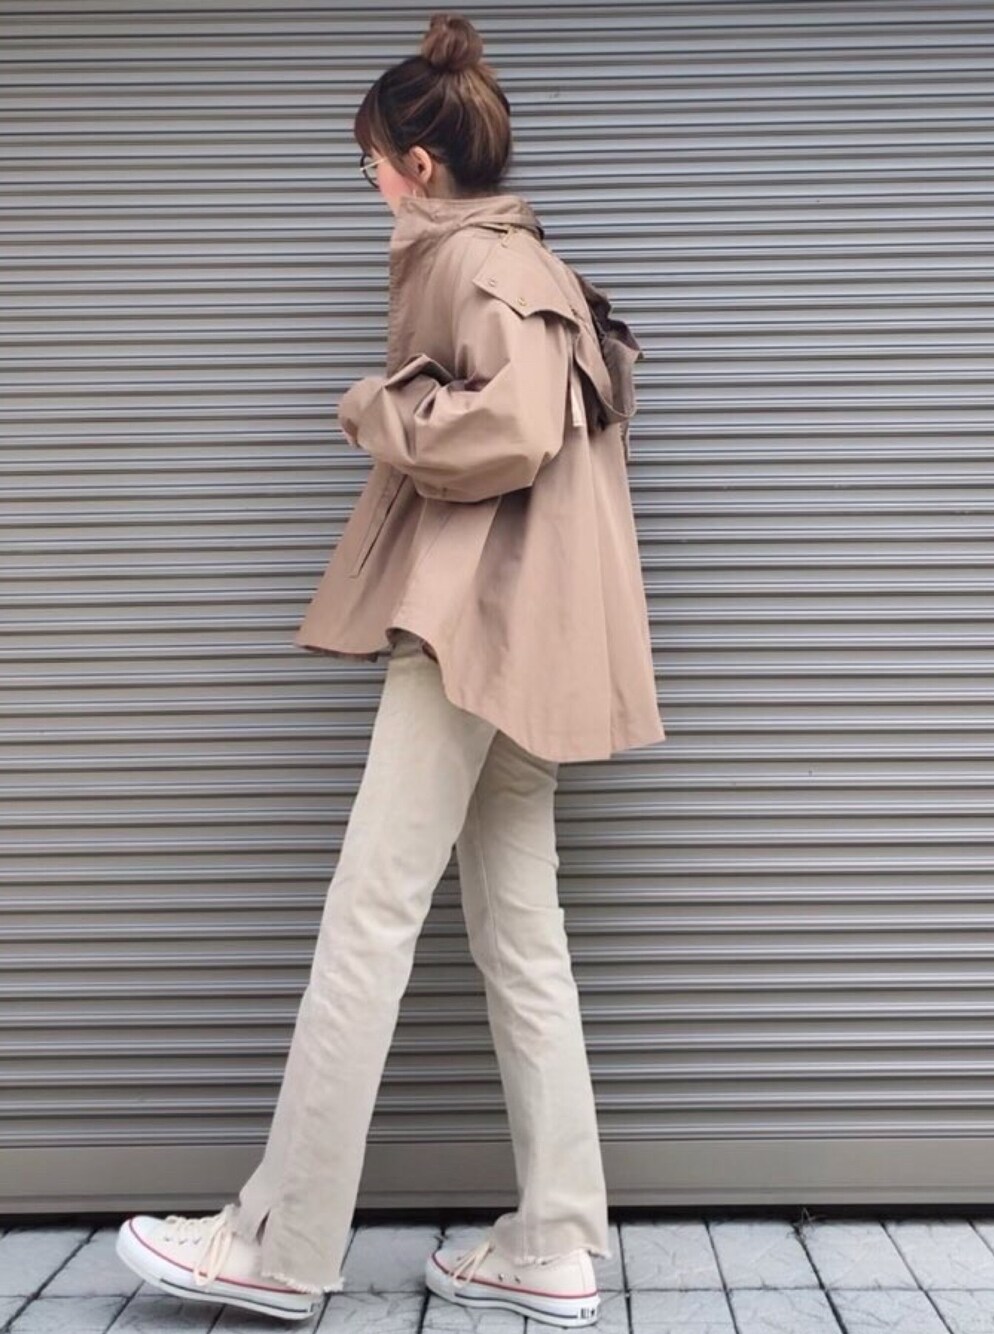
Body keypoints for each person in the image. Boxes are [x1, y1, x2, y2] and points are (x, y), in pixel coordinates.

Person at [115, 10, 664, 1327]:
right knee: (519, 930)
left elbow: (511, 427)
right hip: (531, 637)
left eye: (368, 159)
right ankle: (553, 1242)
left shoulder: (471, 259)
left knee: (370, 914)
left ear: (416, 164)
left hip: (472, 630)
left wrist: (377, 407)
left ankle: (280, 1240)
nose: (366, 181)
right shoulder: (531, 259)